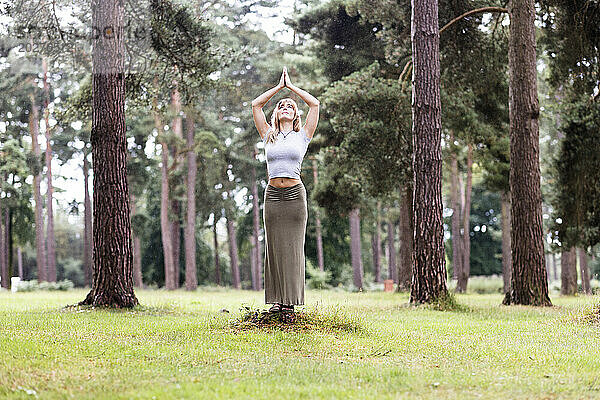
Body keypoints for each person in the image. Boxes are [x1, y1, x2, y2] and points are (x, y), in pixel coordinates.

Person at [250, 66, 320, 319]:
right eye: (281, 106)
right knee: (274, 247)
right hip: (272, 197)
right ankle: (276, 301)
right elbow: (256, 106)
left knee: (293, 248)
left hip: (294, 197)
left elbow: (315, 104)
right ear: (276, 115)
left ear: (295, 114)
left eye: (290, 106)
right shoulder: (269, 135)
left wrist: (292, 88)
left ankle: (290, 303)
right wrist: (278, 89)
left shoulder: (303, 135)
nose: (285, 107)